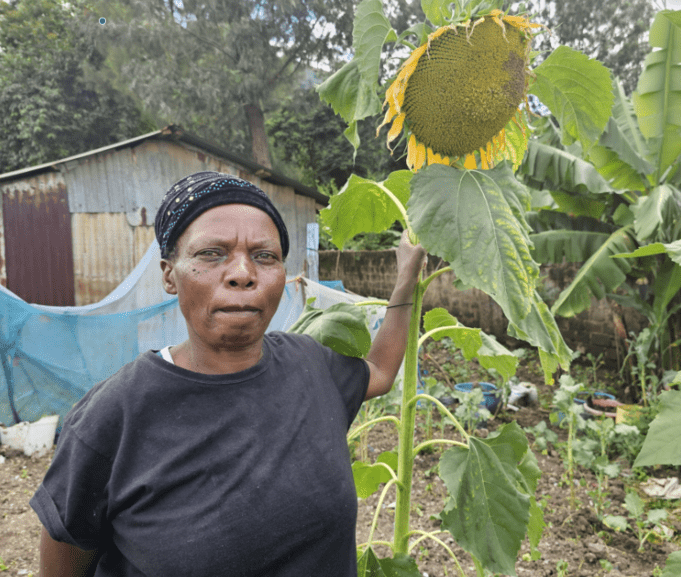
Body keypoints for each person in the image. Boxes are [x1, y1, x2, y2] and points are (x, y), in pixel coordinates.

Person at [30, 171, 427, 576]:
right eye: (212, 253)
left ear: (281, 276)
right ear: (169, 274)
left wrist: (406, 282)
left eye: (265, 256)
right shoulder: (115, 414)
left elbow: (379, 370)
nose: (242, 273)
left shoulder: (312, 365)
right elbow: (64, 557)